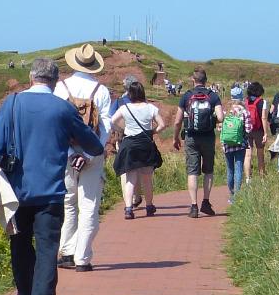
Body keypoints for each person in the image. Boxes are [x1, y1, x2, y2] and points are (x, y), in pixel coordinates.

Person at [0, 57, 104, 295]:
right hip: (51, 191)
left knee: (20, 243)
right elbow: (95, 146)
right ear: (55, 80)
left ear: (31, 77)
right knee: (49, 247)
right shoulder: (63, 109)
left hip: (16, 190)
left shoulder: (11, 103)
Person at [54, 43, 113, 273]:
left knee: (68, 203)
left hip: (65, 153)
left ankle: (66, 251)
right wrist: (88, 153)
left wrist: (70, 154)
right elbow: (106, 128)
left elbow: (55, 126)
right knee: (89, 205)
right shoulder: (101, 91)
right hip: (92, 153)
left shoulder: (61, 88)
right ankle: (82, 258)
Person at [109, 79, 163, 219]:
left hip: (129, 144)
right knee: (146, 179)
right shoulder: (151, 108)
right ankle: (149, 206)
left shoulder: (124, 108)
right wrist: (152, 132)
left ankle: (128, 209)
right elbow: (162, 125)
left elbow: (112, 122)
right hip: (145, 144)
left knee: (130, 179)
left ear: (130, 94)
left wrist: (122, 129)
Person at [173, 67, 224, 218]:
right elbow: (220, 117)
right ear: (206, 80)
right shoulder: (213, 96)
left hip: (191, 137)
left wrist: (175, 138)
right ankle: (206, 202)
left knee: (192, 171)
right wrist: (212, 119)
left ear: (193, 80)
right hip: (208, 137)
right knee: (208, 171)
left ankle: (194, 206)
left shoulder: (186, 96)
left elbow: (177, 121)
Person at [221, 85, 249, 201]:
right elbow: (248, 128)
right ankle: (236, 197)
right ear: (241, 97)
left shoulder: (226, 111)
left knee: (230, 169)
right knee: (238, 168)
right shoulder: (244, 111)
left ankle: (231, 195)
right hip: (240, 143)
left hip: (227, 144)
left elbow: (220, 127)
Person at [244, 81, 269, 178]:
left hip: (247, 129)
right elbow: (263, 118)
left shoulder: (245, 101)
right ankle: (261, 176)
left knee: (247, 155)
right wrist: (266, 133)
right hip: (258, 130)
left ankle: (247, 178)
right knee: (260, 154)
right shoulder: (262, 102)